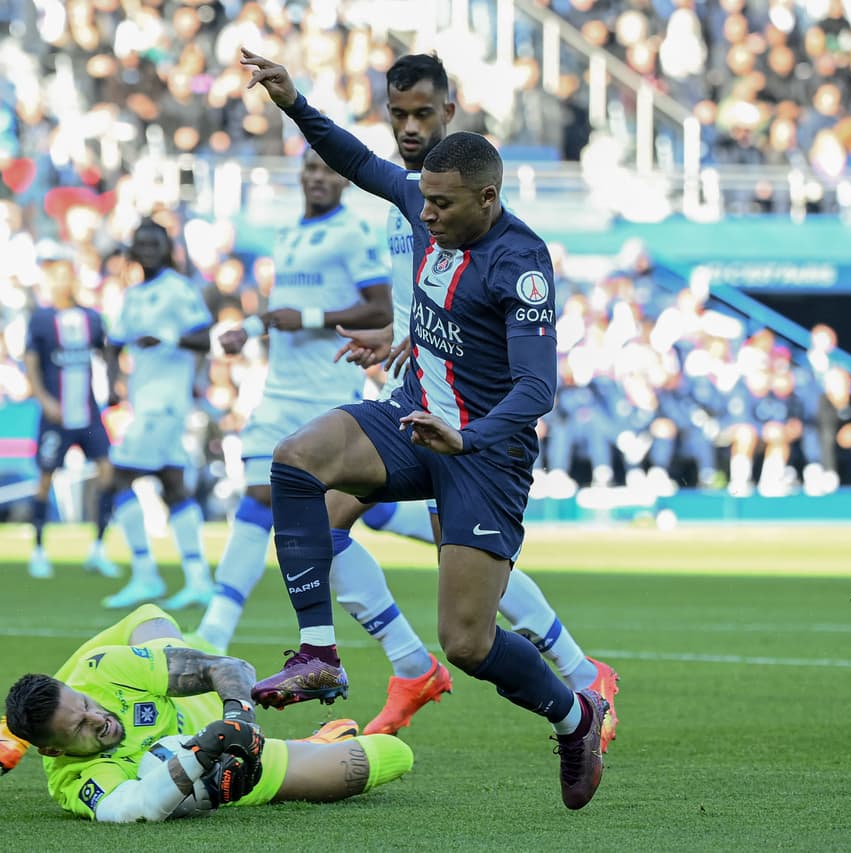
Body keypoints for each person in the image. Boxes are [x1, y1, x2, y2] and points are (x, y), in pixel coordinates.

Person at [240, 48, 608, 810]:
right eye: (423, 201)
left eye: (441, 205)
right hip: (415, 419)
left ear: (486, 196)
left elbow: (538, 385)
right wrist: (293, 103)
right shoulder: (423, 205)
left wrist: (465, 437)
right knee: (294, 464)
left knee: (467, 643)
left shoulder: (522, 262)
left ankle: (576, 715)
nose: (425, 214)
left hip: (484, 456)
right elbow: (356, 159)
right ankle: (318, 652)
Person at [324, 53, 620, 741]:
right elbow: (422, 291)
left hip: (465, 409)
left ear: (449, 113)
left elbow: (487, 311)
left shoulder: (473, 200)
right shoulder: (405, 191)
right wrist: (401, 338)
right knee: (326, 512)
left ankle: (575, 677)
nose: (407, 126)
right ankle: (421, 666)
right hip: (415, 385)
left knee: (458, 568)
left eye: (422, 113)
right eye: (397, 114)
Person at [193, 149, 409, 664]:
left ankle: (433, 536)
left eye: (327, 169)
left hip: (325, 392)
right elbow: (283, 313)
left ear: (343, 180)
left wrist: (309, 316)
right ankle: (213, 632)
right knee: (263, 494)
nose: (317, 177)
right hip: (279, 391)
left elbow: (380, 308)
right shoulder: (287, 235)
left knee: (337, 509)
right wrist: (246, 329)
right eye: (310, 168)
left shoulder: (352, 233)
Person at [0, 604, 414, 822]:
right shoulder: (73, 781)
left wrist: (240, 720)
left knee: (148, 618)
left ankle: (11, 730)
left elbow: (230, 669)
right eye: (80, 727)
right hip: (230, 765)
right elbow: (135, 806)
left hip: (212, 701)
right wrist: (205, 755)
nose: (97, 718)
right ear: (53, 750)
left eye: (86, 706)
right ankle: (313, 745)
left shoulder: (100, 673)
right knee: (390, 756)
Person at [100, 218, 216, 612]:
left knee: (117, 479)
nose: (148, 249)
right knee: (172, 485)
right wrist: (114, 384)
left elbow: (204, 335)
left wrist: (166, 337)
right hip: (144, 400)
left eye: (155, 243)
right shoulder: (133, 296)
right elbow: (113, 342)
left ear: (167, 249)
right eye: (141, 243)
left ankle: (146, 573)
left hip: (165, 402)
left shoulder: (178, 290)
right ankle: (199, 579)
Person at [23, 255, 117, 579]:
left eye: (68, 275)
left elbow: (107, 352)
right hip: (56, 415)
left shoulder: (92, 318)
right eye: (57, 276)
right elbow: (31, 363)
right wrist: (44, 399)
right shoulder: (41, 320)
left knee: (108, 473)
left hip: (88, 414)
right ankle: (38, 549)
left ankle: (98, 548)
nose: (63, 282)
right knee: (45, 479)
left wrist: (116, 384)